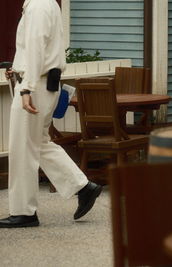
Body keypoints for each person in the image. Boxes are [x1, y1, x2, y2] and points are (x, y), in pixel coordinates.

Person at [0, 0, 102, 228]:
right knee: (39, 143)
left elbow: (37, 49)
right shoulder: (47, 4)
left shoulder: (38, 5)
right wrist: (19, 70)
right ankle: (83, 187)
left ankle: (24, 212)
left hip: (35, 87)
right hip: (43, 83)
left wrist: (26, 87)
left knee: (22, 149)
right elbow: (38, 50)